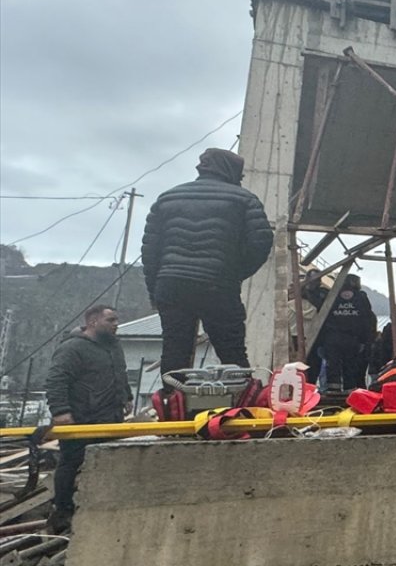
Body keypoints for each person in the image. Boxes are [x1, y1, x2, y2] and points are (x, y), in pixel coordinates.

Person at [142, 148, 272, 375]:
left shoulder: (167, 198)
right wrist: (233, 273)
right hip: (218, 285)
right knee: (232, 352)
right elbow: (261, 243)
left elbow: (150, 252)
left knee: (174, 352)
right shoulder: (245, 200)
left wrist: (155, 291)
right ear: (231, 172)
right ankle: (241, 405)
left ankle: (174, 404)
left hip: (171, 285)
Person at [43, 305, 130, 533]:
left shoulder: (113, 347)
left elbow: (120, 373)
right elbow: (56, 380)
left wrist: (126, 397)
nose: (116, 324)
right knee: (71, 463)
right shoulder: (73, 348)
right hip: (82, 419)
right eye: (110, 320)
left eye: (116, 320)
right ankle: (62, 510)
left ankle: (99, 506)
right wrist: (61, 411)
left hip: (110, 418)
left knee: (108, 461)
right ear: (93, 322)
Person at [315, 274, 377, 392]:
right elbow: (367, 320)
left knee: (332, 364)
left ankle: (333, 389)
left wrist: (321, 341)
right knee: (350, 364)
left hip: (332, 337)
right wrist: (364, 341)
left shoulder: (331, 296)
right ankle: (350, 389)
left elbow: (321, 317)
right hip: (353, 338)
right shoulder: (361, 297)